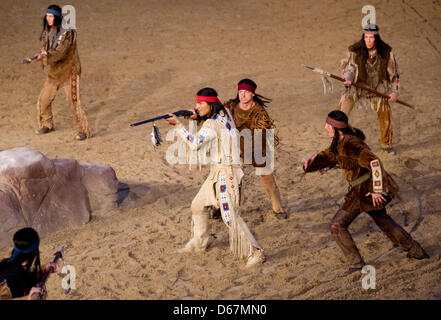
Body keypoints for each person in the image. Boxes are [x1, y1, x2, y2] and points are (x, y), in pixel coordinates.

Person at [303, 110, 429, 274]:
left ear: (337, 128)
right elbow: (329, 156)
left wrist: (377, 190)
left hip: (365, 190)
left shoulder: (351, 144)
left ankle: (356, 264)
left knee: (337, 225)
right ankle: (415, 250)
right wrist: (310, 164)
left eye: (328, 125)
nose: (325, 127)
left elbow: (374, 163)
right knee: (383, 220)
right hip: (362, 189)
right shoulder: (339, 142)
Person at [165, 88, 265, 267]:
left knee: (230, 217)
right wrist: (198, 118)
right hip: (219, 172)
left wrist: (178, 126)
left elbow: (195, 144)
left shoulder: (212, 123)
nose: (197, 106)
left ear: (210, 103)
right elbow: (215, 128)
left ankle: (255, 252)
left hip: (226, 174)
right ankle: (200, 241)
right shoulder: (224, 112)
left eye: (200, 103)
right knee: (197, 205)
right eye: (196, 103)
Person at [225, 79, 287, 219]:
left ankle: (278, 209)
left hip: (258, 146)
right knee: (231, 177)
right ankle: (223, 206)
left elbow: (261, 135)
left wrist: (246, 150)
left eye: (246, 92)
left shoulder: (259, 112)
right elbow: (216, 113)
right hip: (237, 146)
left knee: (268, 179)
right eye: (240, 92)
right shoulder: (231, 106)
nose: (243, 95)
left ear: (252, 94)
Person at [338, 24, 399, 155]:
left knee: (385, 111)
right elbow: (349, 68)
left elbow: (394, 75)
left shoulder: (386, 54)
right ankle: (337, 143)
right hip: (356, 89)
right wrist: (347, 79)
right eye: (366, 37)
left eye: (371, 37)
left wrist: (393, 92)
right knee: (340, 113)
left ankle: (386, 144)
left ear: (376, 38)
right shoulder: (355, 52)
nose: (368, 40)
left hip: (376, 90)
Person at [34, 4, 91, 140]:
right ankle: (47, 124)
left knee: (73, 102)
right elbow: (45, 44)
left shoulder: (68, 33)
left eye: (51, 16)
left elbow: (61, 52)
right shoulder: (47, 30)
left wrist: (46, 56)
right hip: (55, 72)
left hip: (69, 71)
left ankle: (83, 130)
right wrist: (42, 52)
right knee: (44, 99)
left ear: (58, 18)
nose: (48, 19)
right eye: (47, 16)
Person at [0, 228, 56, 300]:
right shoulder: (10, 277)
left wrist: (45, 268)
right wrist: (28, 298)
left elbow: (28, 278)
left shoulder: (15, 267)